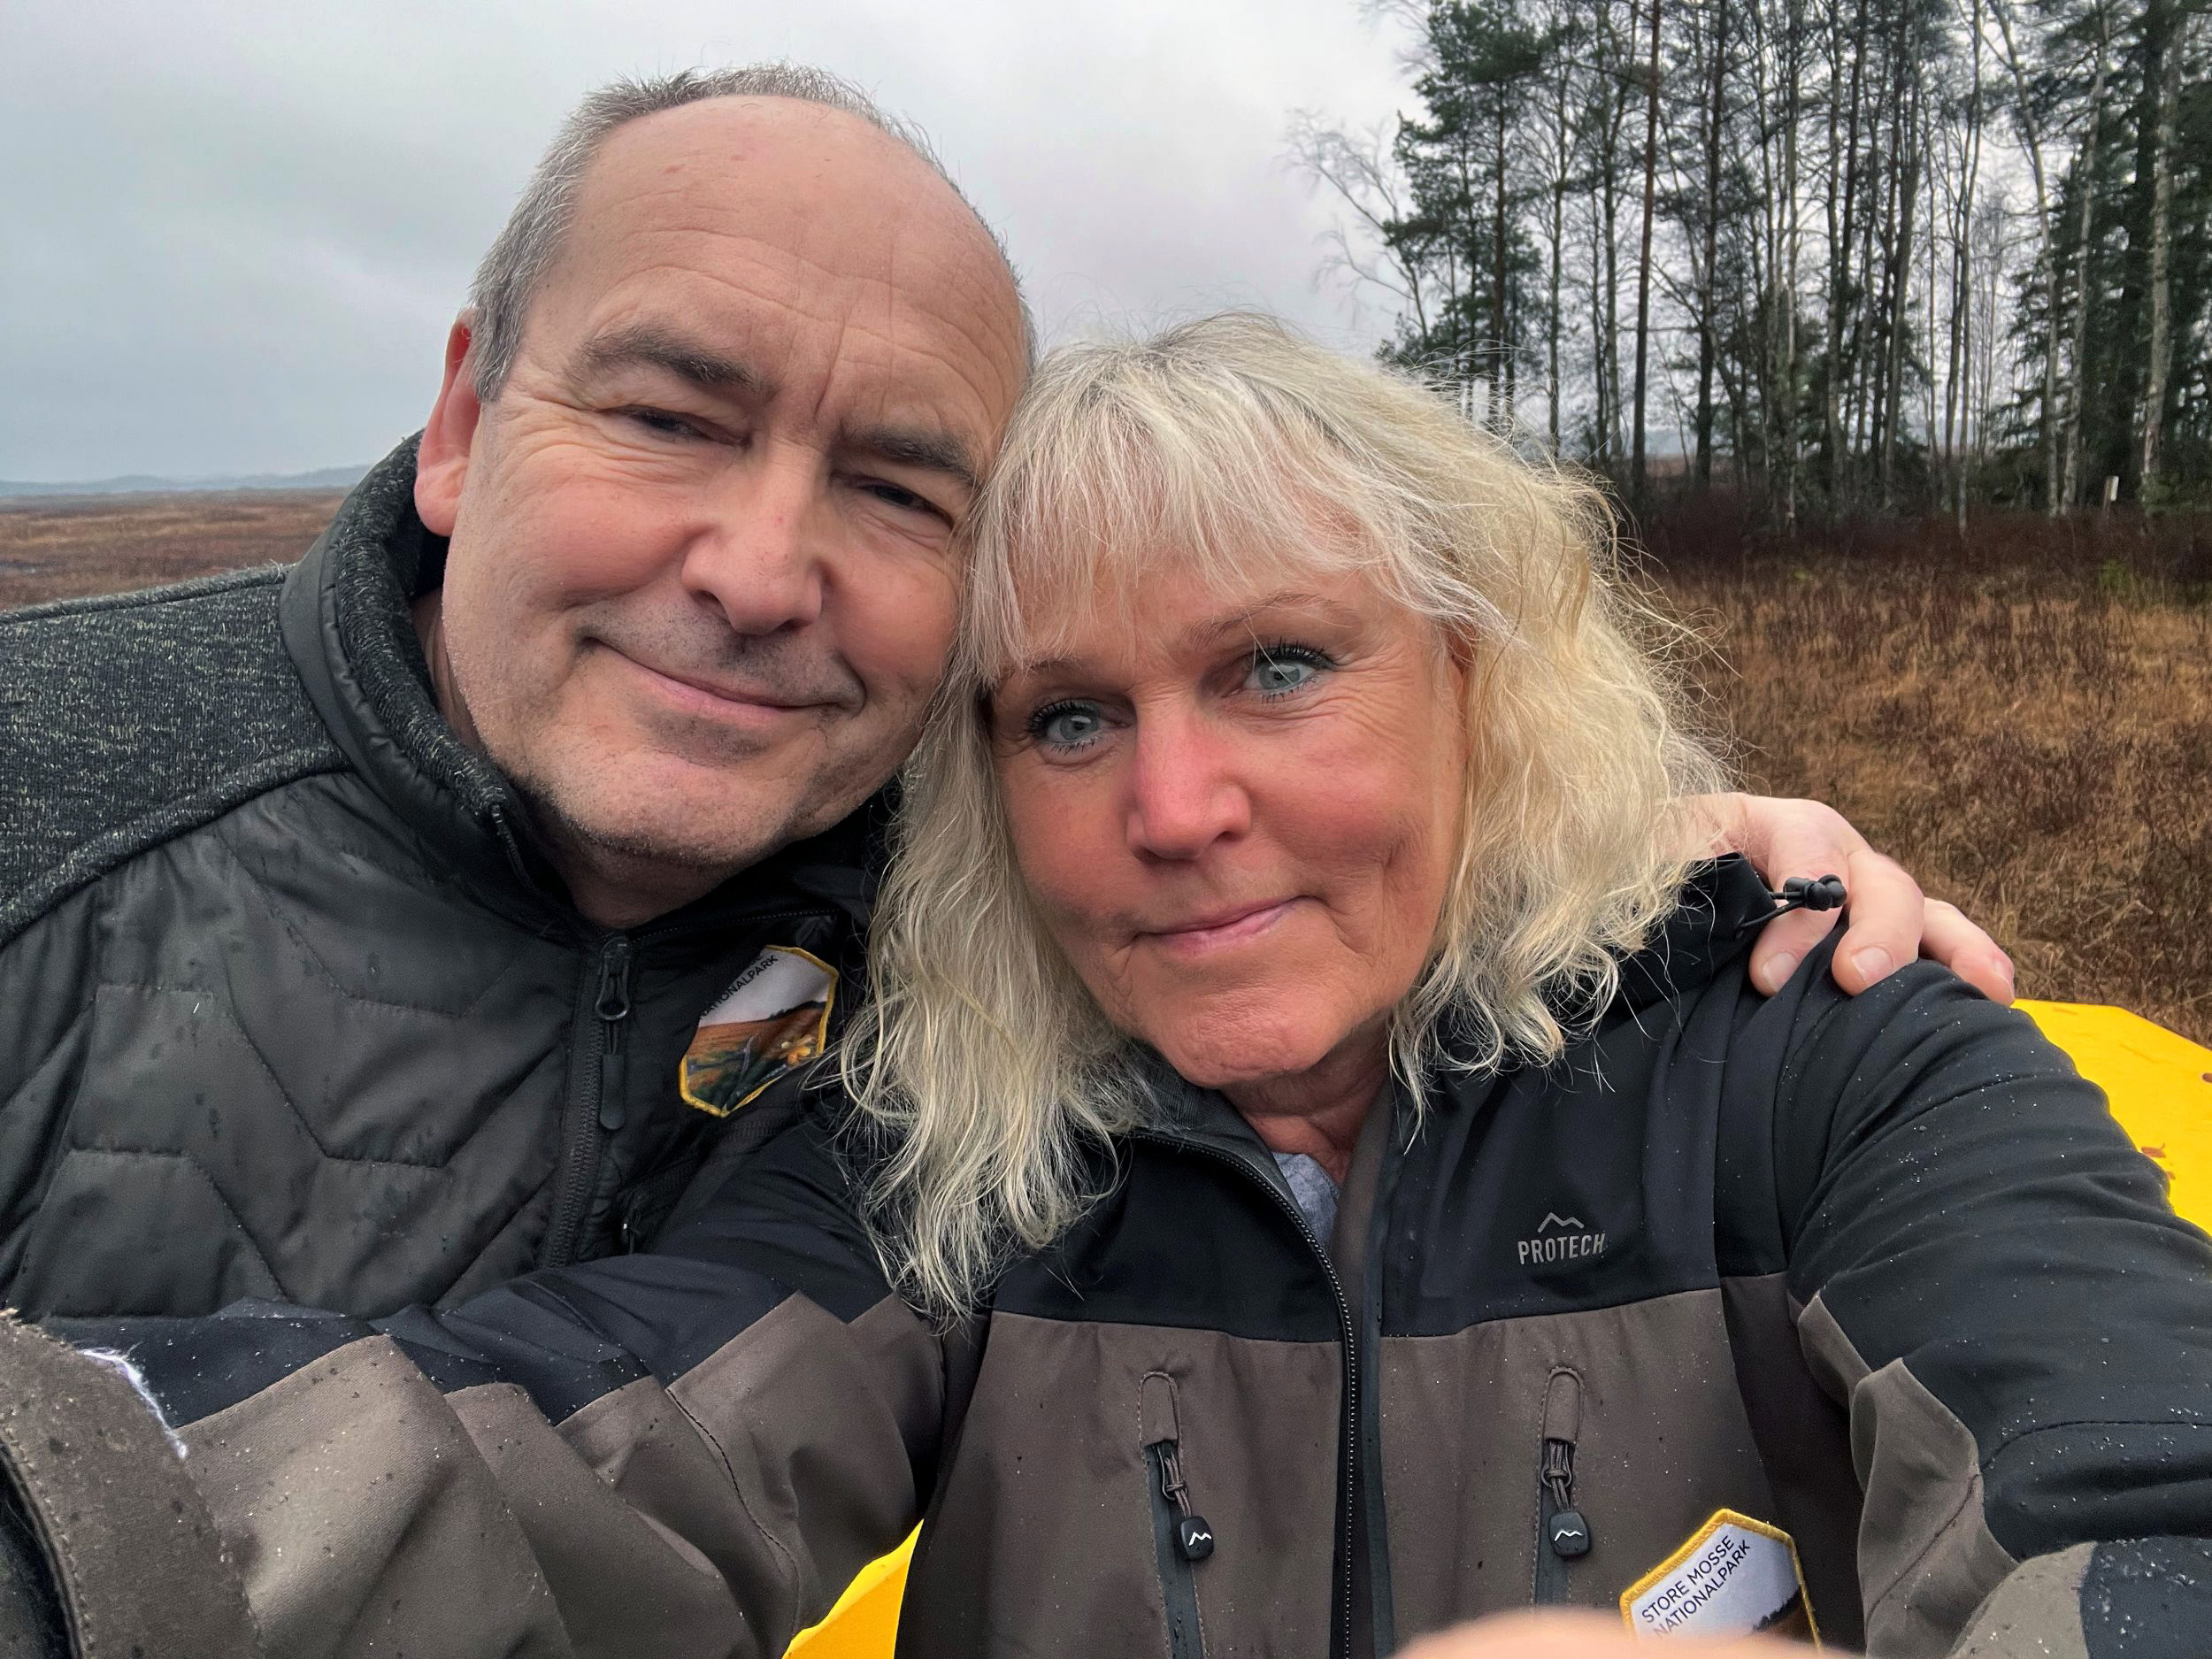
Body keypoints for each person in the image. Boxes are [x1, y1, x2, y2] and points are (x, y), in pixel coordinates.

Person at [9, 314, 2205, 1659]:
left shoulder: (1820, 1051)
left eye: (1277, 666)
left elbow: (2132, 1489)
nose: (1170, 806)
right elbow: (535, 1451)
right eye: (1064, 716)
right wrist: (61, 1516)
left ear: (1474, 679)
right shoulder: (958, 1161)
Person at [0, 67, 1964, 1327]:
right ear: (461, 421)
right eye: (672, 417)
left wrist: (1618, 862)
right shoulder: (45, 792)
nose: (761, 572)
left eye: (894, 487)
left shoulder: (956, 883)